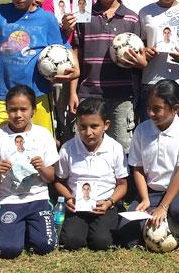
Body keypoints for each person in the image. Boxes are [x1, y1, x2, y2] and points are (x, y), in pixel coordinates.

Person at [0, 0, 78, 133]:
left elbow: (64, 48)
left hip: (39, 95)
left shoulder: (47, 19)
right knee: (4, 143)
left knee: (41, 143)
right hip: (6, 95)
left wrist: (77, 70)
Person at [68, 0, 143, 153]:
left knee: (122, 147)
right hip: (88, 93)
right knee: (87, 144)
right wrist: (73, 92)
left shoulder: (132, 19)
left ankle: (122, 182)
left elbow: (141, 59)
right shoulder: (84, 16)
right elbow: (76, 53)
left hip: (121, 94)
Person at [118, 80, 179, 247]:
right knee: (126, 237)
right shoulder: (142, 130)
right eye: (149, 108)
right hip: (151, 192)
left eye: (157, 109)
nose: (150, 113)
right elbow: (138, 168)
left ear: (175, 109)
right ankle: (160, 219)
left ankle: (172, 220)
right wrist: (145, 199)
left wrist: (163, 206)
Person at [0, 85, 60, 258]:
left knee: (45, 246)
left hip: (38, 199)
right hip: (9, 200)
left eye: (23, 109)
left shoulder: (43, 135)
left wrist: (42, 168)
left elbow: (50, 177)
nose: (18, 115)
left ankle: (27, 227)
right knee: (8, 250)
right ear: (6, 110)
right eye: (13, 109)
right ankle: (16, 229)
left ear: (33, 111)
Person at [54, 98, 128, 251]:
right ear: (77, 125)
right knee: (71, 241)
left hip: (104, 205)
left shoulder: (115, 148)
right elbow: (59, 181)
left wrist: (109, 202)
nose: (88, 133)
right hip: (77, 206)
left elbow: (122, 184)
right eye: (82, 127)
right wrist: (68, 198)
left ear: (106, 125)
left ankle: (103, 226)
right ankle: (82, 230)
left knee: (102, 242)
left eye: (94, 126)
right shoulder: (68, 148)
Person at [40, 0, 94, 141]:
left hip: (89, 66)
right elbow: (48, 45)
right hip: (64, 70)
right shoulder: (48, 5)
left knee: (87, 112)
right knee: (64, 114)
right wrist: (63, 31)